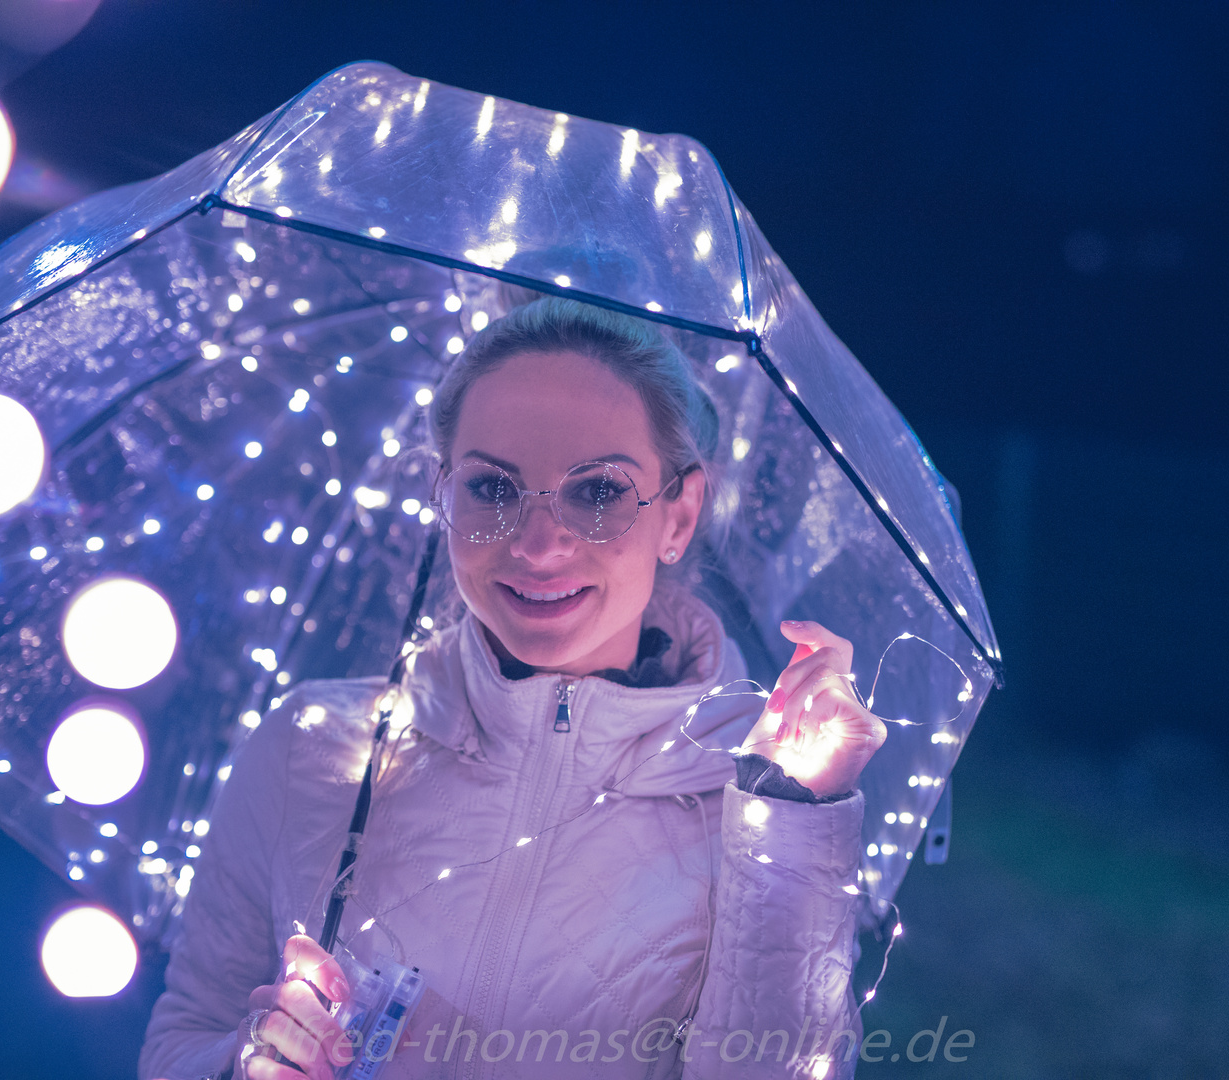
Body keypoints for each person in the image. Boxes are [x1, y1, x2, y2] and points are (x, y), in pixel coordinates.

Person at [140, 298, 889, 1080]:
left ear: (679, 514)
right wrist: (246, 1063)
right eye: (493, 489)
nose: (537, 544)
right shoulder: (314, 744)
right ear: (444, 496)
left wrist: (792, 818)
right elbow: (185, 1035)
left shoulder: (754, 795)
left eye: (597, 492)